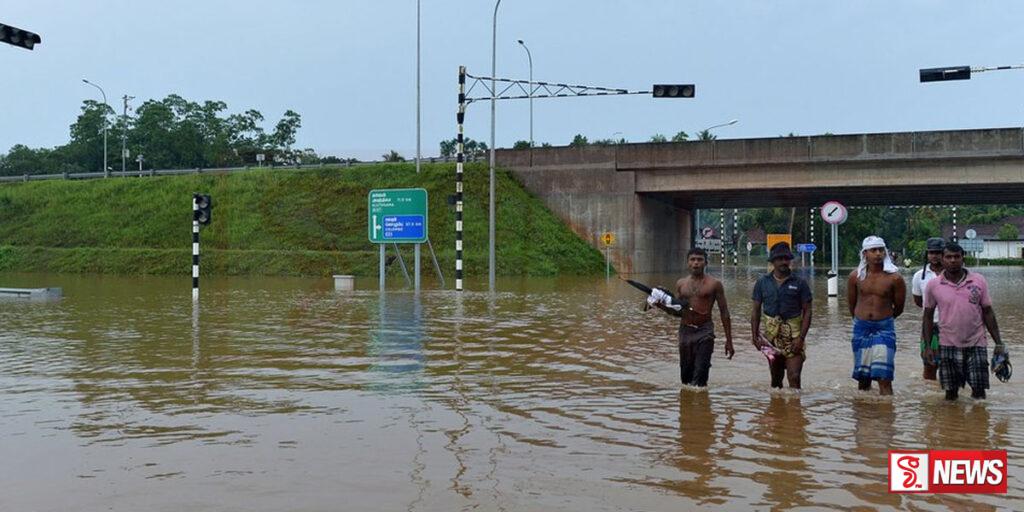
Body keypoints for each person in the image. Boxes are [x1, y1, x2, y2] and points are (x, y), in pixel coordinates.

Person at [923, 242, 1007, 400]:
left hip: (976, 343)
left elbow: (988, 312)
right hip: (947, 343)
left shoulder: (978, 281)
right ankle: (953, 424)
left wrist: (999, 343)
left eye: (957, 257)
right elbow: (927, 316)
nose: (953, 260)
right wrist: (927, 346)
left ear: (963, 258)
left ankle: (978, 424)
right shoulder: (933, 285)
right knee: (950, 394)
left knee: (979, 393)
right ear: (942, 259)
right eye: (948, 257)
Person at [653, 247, 734, 387]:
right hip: (685, 331)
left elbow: (724, 312)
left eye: (699, 260)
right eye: (692, 260)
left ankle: (702, 406)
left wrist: (729, 341)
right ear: (687, 263)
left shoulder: (714, 284)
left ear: (705, 263)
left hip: (705, 331)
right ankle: (688, 407)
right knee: (686, 379)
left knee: (700, 376)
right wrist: (659, 304)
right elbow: (676, 311)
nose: (696, 263)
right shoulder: (681, 284)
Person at [847, 236, 906, 396]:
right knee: (863, 377)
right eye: (874, 250)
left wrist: (884, 318)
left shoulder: (895, 278)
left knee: (883, 376)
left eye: (881, 250)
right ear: (865, 253)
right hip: (861, 327)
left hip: (884, 328)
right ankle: (864, 415)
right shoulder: (855, 277)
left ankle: (886, 414)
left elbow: (899, 307)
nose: (878, 254)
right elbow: (852, 304)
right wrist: (861, 318)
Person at [751, 242, 812, 389]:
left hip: (794, 336)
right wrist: (754, 336)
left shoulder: (800, 283)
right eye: (780, 259)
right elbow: (756, 311)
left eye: (786, 258)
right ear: (772, 261)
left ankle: (795, 410)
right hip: (771, 338)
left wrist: (801, 338)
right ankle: (777, 410)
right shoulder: (762, 283)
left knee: (794, 377)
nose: (784, 262)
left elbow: (808, 311)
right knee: (776, 380)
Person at [911, 237, 946, 380]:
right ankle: (929, 398)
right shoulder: (920, 276)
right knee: (929, 364)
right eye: (931, 252)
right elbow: (919, 302)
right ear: (927, 254)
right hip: (930, 325)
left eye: (938, 252)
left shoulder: (954, 274)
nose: (935, 256)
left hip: (952, 325)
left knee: (953, 365)